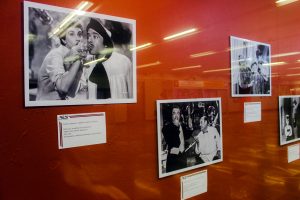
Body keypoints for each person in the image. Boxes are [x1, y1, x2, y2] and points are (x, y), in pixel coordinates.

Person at [36, 20, 87, 100]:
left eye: (79, 34)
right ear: (64, 40)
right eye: (71, 34)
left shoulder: (75, 55)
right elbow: (63, 88)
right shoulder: (55, 55)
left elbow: (80, 90)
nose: (78, 39)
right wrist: (78, 58)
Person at [86, 18, 133, 99]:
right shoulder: (88, 66)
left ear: (105, 40)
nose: (89, 40)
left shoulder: (123, 62)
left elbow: (132, 95)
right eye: (88, 36)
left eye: (95, 36)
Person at [162, 105, 185, 173]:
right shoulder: (166, 128)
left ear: (180, 115)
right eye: (174, 113)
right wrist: (176, 127)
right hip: (173, 163)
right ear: (171, 115)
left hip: (183, 161)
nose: (176, 115)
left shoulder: (182, 127)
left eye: (178, 113)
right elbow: (172, 145)